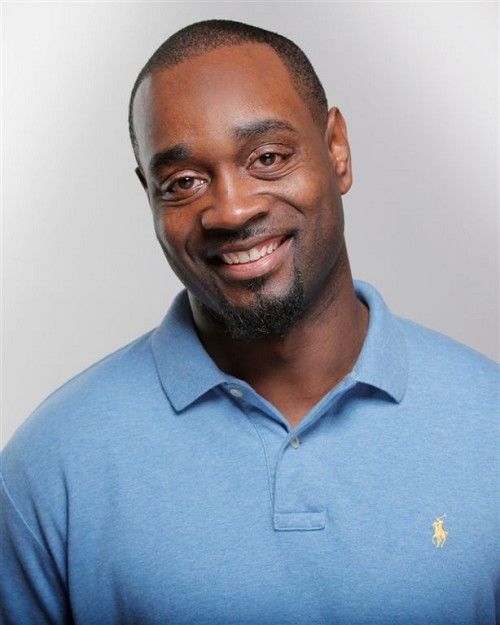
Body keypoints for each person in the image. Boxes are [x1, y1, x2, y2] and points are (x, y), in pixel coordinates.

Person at [1, 19, 498, 625]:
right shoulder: (50, 466)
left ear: (337, 151)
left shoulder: (489, 423)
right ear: (148, 195)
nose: (232, 211)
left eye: (267, 158)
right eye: (183, 182)